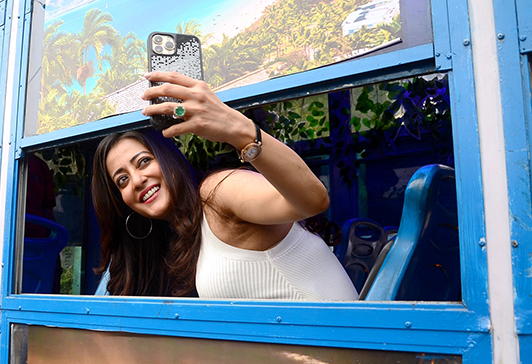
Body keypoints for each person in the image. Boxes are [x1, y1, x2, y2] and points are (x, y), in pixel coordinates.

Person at [91, 71, 357, 301]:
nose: (137, 180)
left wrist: (238, 130)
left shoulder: (216, 192)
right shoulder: (177, 237)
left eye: (144, 162)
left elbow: (313, 200)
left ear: (169, 160)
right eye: (122, 180)